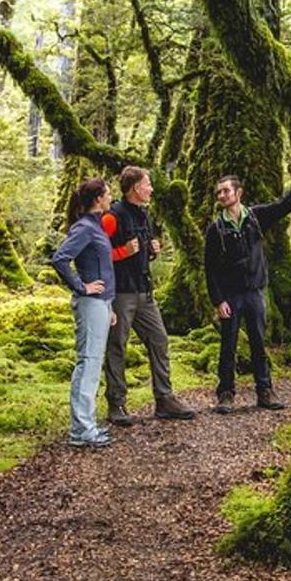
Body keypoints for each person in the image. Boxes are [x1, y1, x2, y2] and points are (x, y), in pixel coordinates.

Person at [204, 160, 291, 413]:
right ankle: (226, 394)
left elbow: (283, 207)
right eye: (219, 192)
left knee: (259, 343)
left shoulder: (256, 217)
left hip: (255, 293)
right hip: (231, 295)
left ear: (238, 193)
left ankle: (265, 391)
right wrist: (218, 300)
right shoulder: (215, 229)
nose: (221, 195)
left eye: (226, 191)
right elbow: (210, 268)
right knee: (228, 344)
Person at [101, 166, 196, 425]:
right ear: (135, 189)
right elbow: (96, 254)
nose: (151, 189)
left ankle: (165, 399)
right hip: (121, 294)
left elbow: (142, 249)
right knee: (117, 346)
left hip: (145, 293)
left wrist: (152, 250)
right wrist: (121, 252)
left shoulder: (145, 215)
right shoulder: (112, 216)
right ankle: (117, 404)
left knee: (159, 340)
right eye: (148, 184)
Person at [51, 177, 117, 448]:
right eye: (108, 193)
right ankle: (81, 430)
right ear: (98, 199)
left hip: (101, 304)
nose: (111, 197)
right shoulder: (85, 228)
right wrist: (81, 286)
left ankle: (86, 424)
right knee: (88, 362)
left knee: (92, 362)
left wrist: (109, 306)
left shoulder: (96, 226)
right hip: (90, 304)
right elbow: (60, 258)